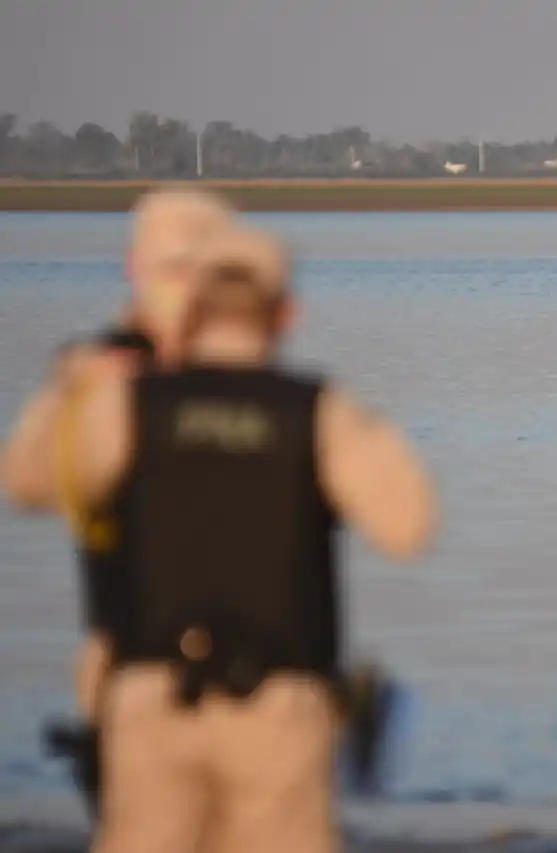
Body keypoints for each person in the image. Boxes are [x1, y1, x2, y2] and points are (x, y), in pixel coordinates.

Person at [20, 225, 440, 853]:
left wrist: (77, 379)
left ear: (187, 309)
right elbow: (410, 526)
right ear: (286, 314)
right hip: (279, 706)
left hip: (151, 702)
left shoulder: (128, 404)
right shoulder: (316, 411)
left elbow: (29, 481)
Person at [1, 186, 239, 814]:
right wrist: (79, 393)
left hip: (246, 672)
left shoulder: (255, 379)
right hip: (130, 661)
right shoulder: (97, 373)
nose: (186, 289)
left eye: (204, 271)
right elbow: (25, 482)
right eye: (173, 269)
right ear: (137, 269)